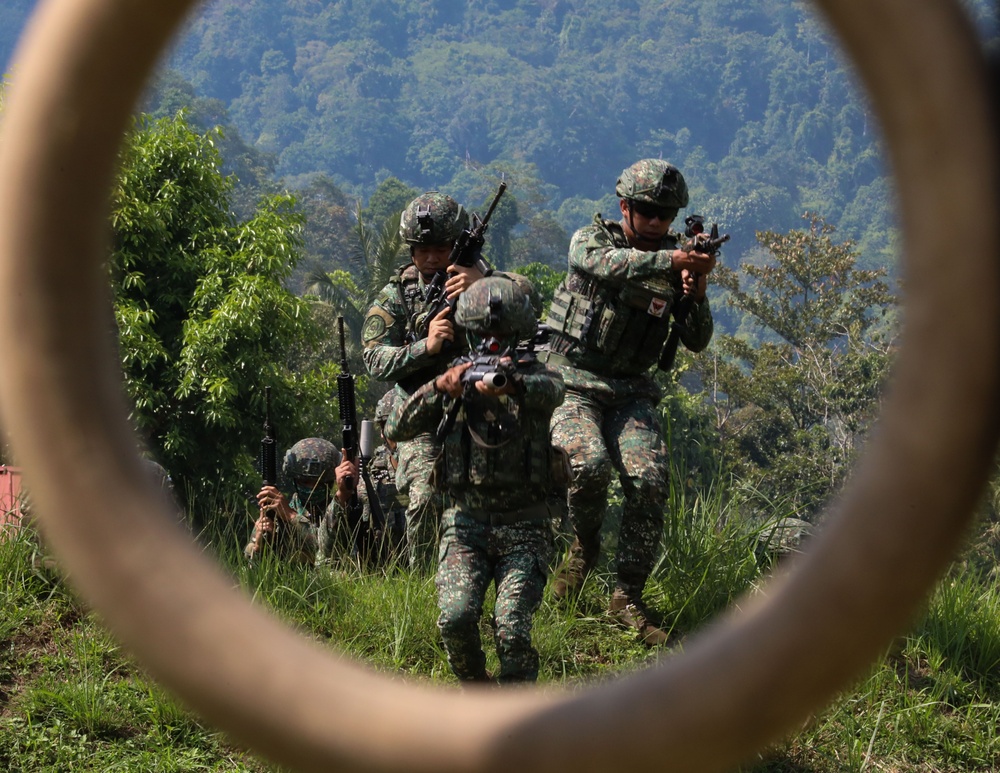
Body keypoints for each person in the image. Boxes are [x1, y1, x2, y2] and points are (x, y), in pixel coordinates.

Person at [541, 159, 717, 646]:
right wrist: (674, 262)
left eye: (666, 213)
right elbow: (602, 266)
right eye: (647, 210)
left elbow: (698, 340)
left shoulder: (677, 262)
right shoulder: (593, 240)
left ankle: (627, 598)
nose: (658, 221)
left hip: (630, 390)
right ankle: (582, 551)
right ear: (625, 207)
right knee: (588, 464)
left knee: (649, 478)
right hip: (571, 380)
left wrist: (696, 292)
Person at [385, 276, 566, 685]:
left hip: (526, 525)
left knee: (512, 629)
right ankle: (478, 695)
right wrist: (440, 387)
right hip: (465, 525)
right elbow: (396, 427)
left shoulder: (540, 377)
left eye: (502, 336)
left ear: (519, 334)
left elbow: (551, 391)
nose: (494, 343)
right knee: (455, 620)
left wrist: (512, 384)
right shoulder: (453, 380)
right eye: (485, 335)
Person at [361, 192, 488, 569]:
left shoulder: (482, 280)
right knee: (427, 493)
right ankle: (425, 587)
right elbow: (373, 357)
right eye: (422, 249)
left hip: (481, 407)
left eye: (441, 248)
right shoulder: (397, 294)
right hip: (419, 413)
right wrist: (425, 348)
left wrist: (483, 290)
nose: (431, 258)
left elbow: (524, 331)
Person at [319, 390, 408, 568]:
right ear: (383, 433)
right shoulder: (369, 482)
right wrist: (343, 494)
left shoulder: (442, 473)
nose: (402, 437)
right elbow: (327, 550)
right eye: (393, 428)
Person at [246, 437, 351, 565]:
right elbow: (250, 570)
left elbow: (323, 546)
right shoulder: (276, 517)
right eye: (305, 482)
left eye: (319, 483)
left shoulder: (342, 513)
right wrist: (258, 546)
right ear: (295, 480)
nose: (312, 488)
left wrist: (291, 516)